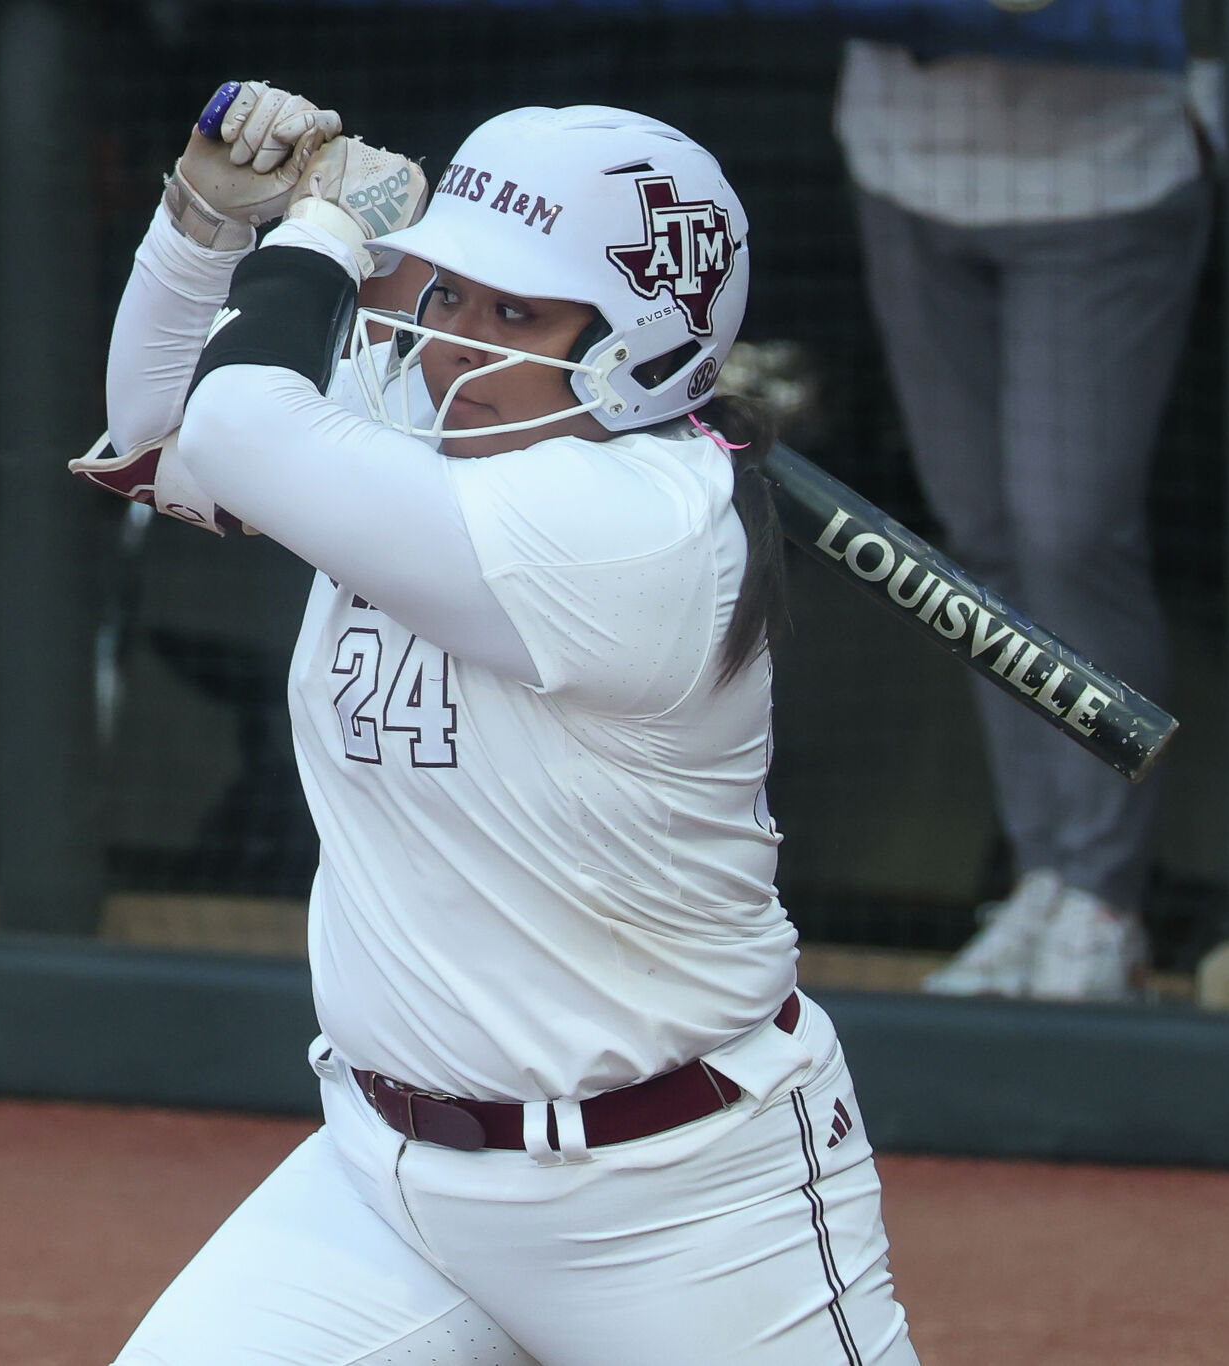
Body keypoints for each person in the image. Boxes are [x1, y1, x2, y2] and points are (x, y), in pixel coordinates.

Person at [76, 81, 918, 1365]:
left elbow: (242, 428)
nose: (458, 342)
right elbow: (163, 428)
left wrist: (322, 233)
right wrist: (204, 222)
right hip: (379, 1181)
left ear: (637, 348)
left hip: (679, 1205)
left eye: (514, 311)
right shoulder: (430, 409)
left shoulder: (635, 527)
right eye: (449, 293)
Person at [834, 42, 1218, 1000]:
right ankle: (1043, 876)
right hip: (901, 156)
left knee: (1068, 534)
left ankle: (1103, 899)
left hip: (1104, 169)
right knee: (980, 542)